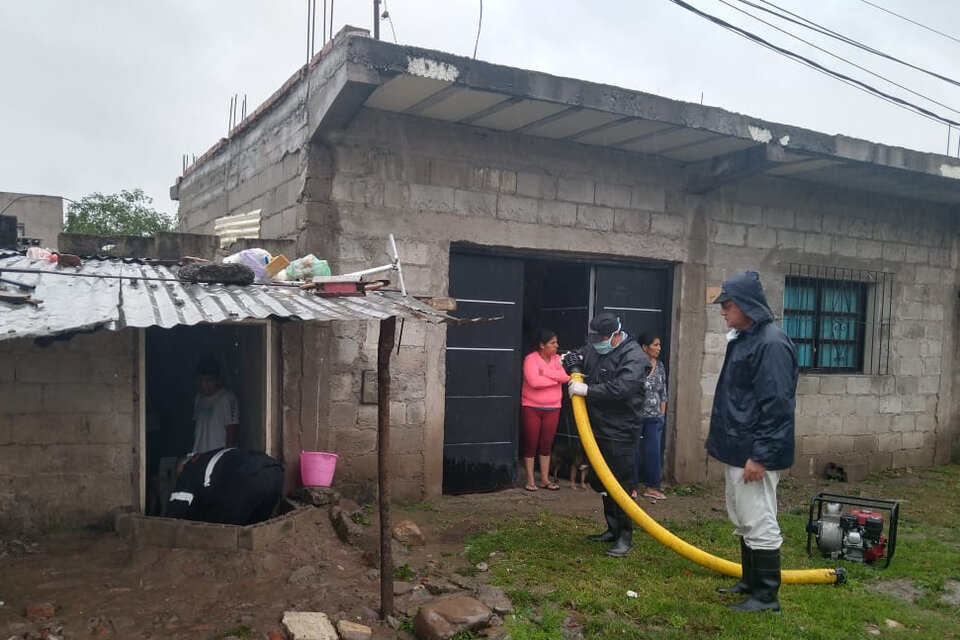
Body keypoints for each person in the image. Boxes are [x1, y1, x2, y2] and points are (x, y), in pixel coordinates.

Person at [707, 270, 797, 613]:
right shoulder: (746, 338)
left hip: (754, 451)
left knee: (758, 518)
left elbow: (777, 406)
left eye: (727, 305)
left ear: (746, 306)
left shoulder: (770, 344)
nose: (723, 312)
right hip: (739, 446)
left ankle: (765, 597)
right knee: (742, 515)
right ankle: (749, 581)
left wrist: (760, 456)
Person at [564, 312, 648, 557]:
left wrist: (587, 390)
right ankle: (612, 528)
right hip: (595, 427)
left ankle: (624, 536)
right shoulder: (595, 349)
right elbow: (578, 354)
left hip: (620, 430)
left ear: (615, 336)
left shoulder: (634, 356)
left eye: (601, 338)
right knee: (600, 480)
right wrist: (571, 361)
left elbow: (623, 387)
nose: (596, 343)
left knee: (620, 483)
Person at [167, 447, 284, 525]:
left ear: (182, 464)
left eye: (178, 474)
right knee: (258, 526)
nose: (179, 477)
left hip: (248, 477)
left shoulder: (189, 468)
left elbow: (178, 504)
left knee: (223, 529)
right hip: (275, 471)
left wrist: (165, 526)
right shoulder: (215, 455)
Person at [520, 329, 571, 491]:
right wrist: (555, 380)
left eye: (556, 343)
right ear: (542, 345)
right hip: (531, 406)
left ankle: (544, 479)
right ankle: (530, 480)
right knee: (531, 442)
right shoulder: (531, 359)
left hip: (553, 407)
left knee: (546, 444)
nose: (557, 346)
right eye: (552, 343)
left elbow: (565, 377)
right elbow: (534, 382)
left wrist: (546, 373)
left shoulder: (557, 359)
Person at [634, 332, 667, 501]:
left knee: (653, 452)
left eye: (659, 345)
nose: (659, 348)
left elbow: (663, 392)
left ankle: (651, 487)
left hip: (655, 417)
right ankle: (631, 486)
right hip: (636, 415)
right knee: (632, 450)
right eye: (655, 345)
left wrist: (662, 414)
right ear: (644, 347)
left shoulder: (660, 366)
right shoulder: (636, 365)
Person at [191, 357, 239, 455]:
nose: (203, 384)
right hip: (198, 455)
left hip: (216, 458)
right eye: (200, 380)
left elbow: (231, 434)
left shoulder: (227, 398)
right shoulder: (198, 398)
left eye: (208, 380)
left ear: (217, 380)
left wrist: (227, 460)